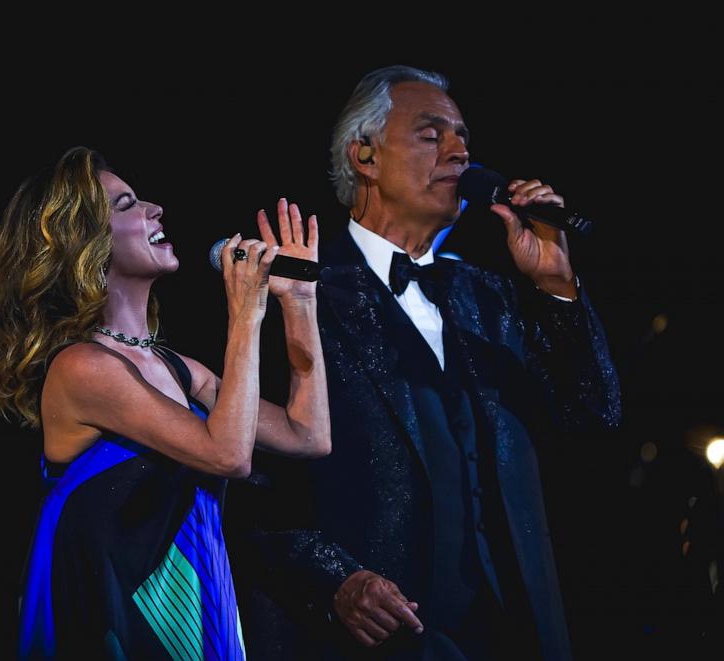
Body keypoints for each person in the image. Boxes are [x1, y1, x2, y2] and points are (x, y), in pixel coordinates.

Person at [249, 65, 621, 660]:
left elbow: (593, 417)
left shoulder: (492, 297)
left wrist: (556, 288)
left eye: (463, 136)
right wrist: (336, 580)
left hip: (517, 632)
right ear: (364, 155)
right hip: (378, 641)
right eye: (431, 135)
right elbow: (252, 487)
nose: (460, 151)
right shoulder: (298, 293)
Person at [0, 146, 331, 659]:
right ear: (85, 244)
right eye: (125, 205)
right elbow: (229, 455)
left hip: (200, 602)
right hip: (128, 620)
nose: (154, 209)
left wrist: (299, 303)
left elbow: (310, 435)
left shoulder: (178, 370)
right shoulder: (80, 367)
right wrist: (245, 313)